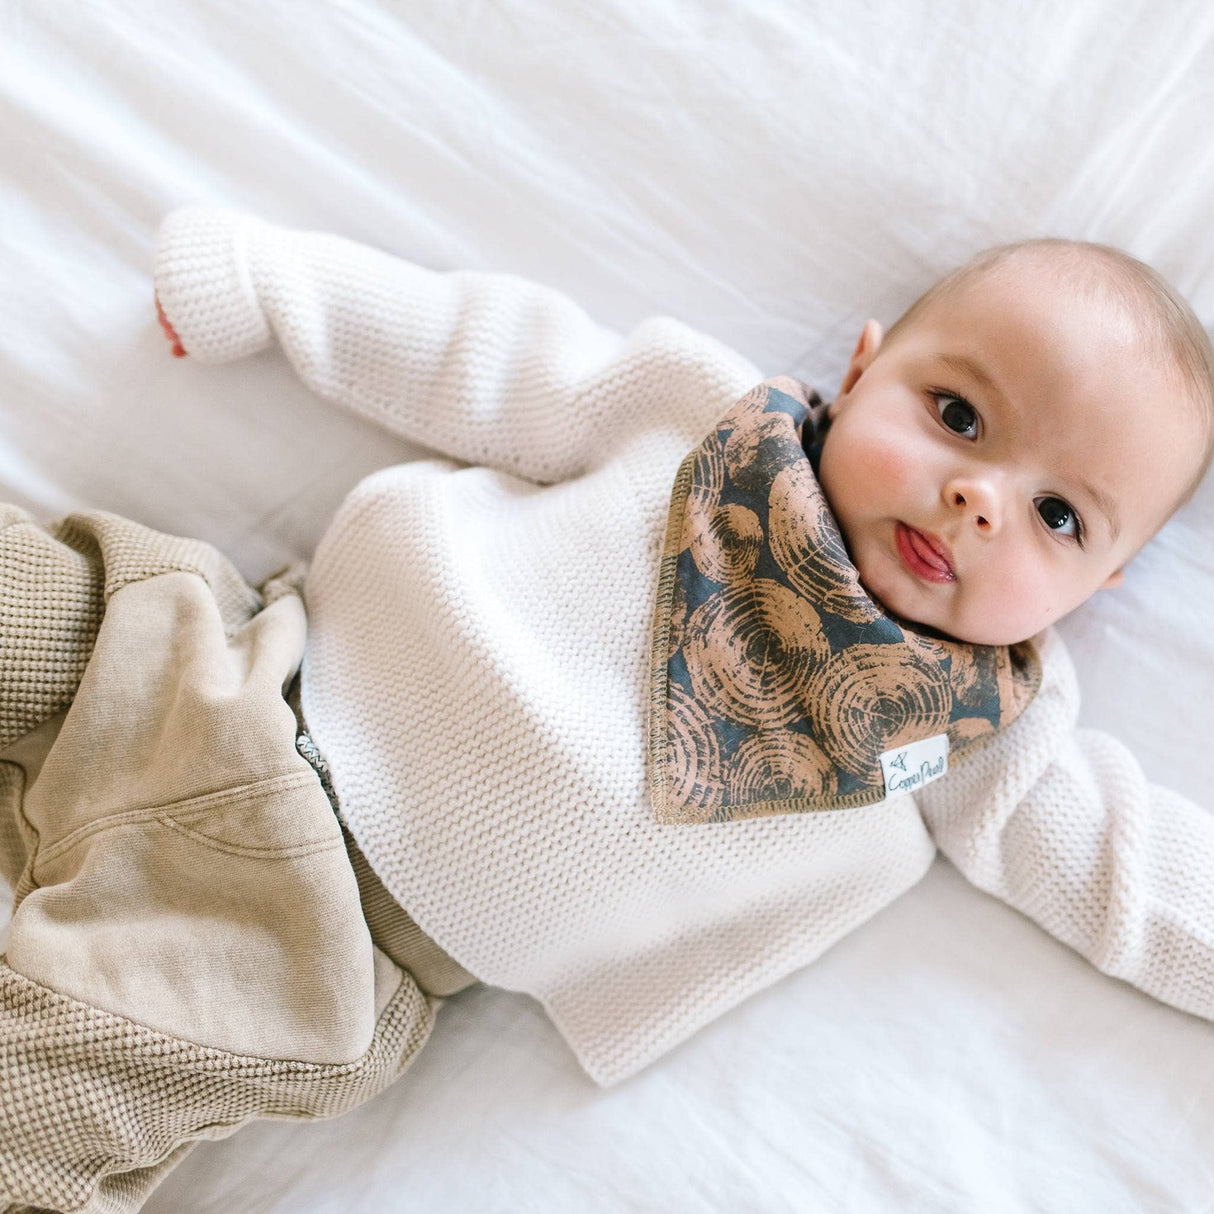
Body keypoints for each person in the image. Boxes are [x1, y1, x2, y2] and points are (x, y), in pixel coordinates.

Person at [3, 207, 1213, 1213]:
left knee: (57, 1087)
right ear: (861, 368)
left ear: (1097, 587)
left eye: (1059, 515)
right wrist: (275, 287)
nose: (977, 497)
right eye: (956, 414)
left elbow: (1122, 873)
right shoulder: (700, 417)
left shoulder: (969, 735)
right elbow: (482, 359)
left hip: (307, 936)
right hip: (226, 662)